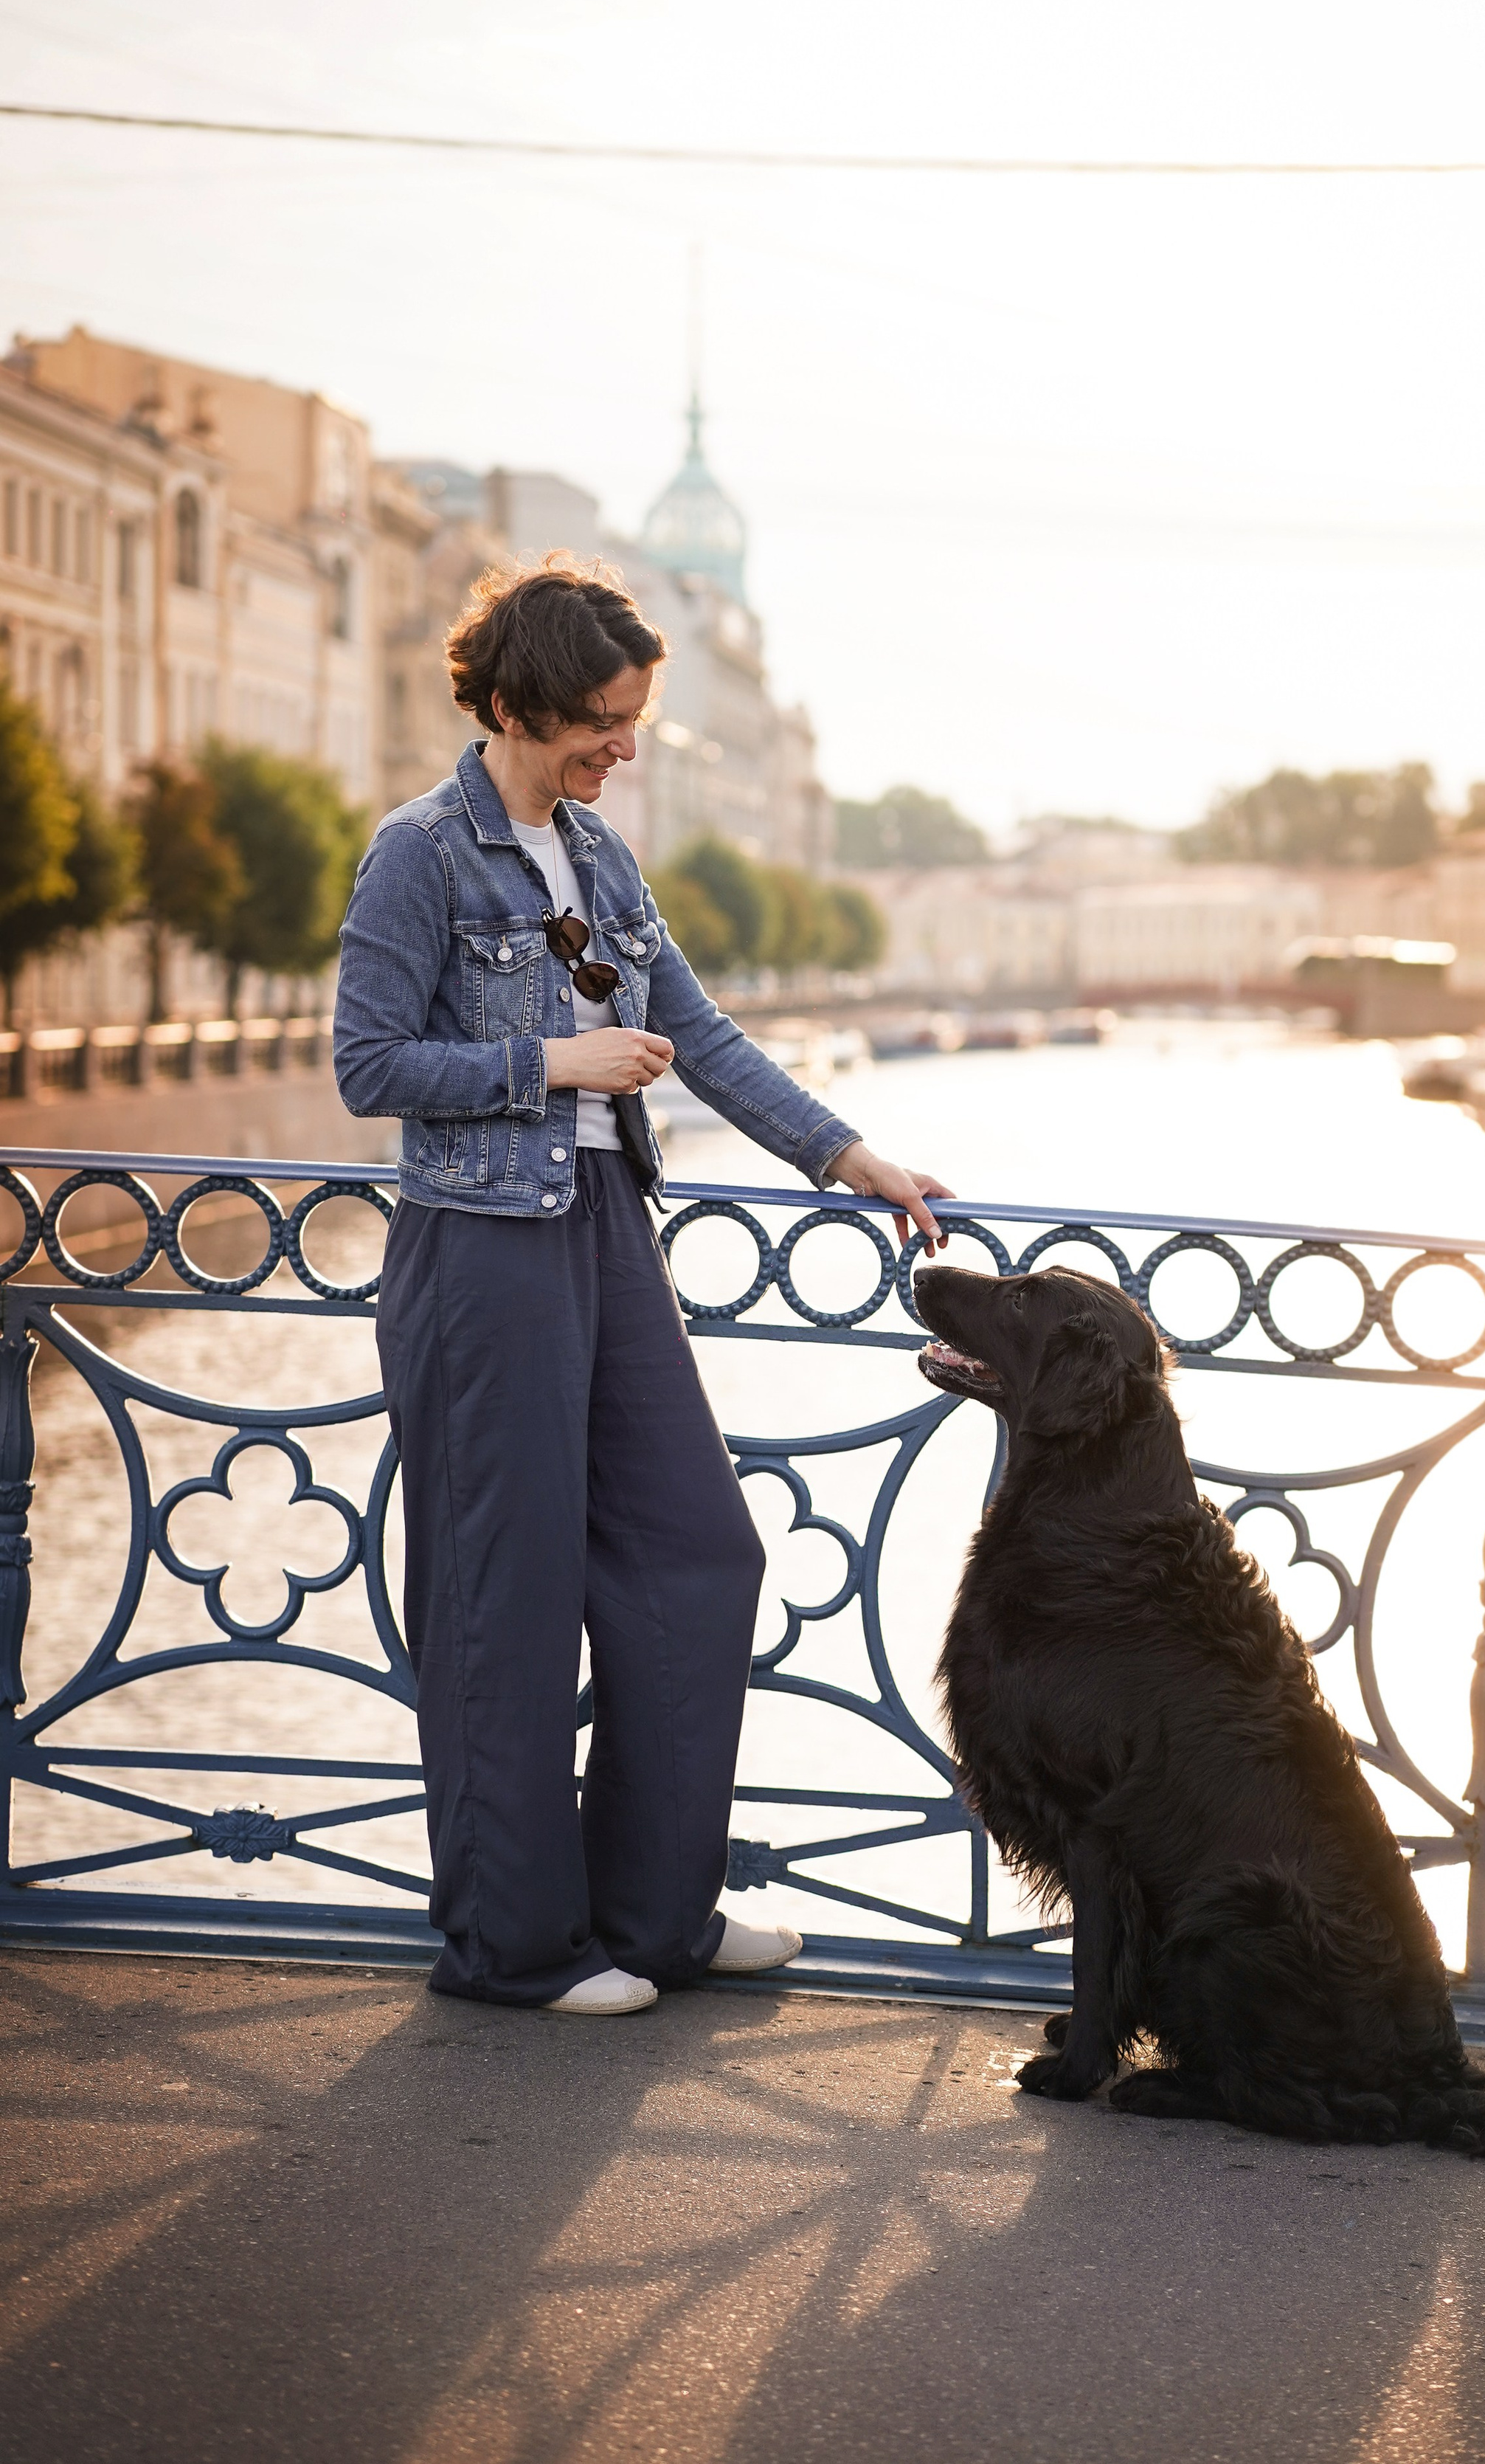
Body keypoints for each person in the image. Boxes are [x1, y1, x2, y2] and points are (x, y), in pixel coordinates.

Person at [333, 558, 951, 2014]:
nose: (624, 746)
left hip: (607, 1224)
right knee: (507, 1597)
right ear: (525, 700)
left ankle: (656, 1913)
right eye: (605, 720)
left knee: (697, 1553)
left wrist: (844, 1152)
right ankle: (515, 1943)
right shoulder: (418, 852)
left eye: (634, 721)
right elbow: (367, 1067)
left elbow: (695, 1028)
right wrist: (550, 1063)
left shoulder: (601, 860)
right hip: (481, 1249)